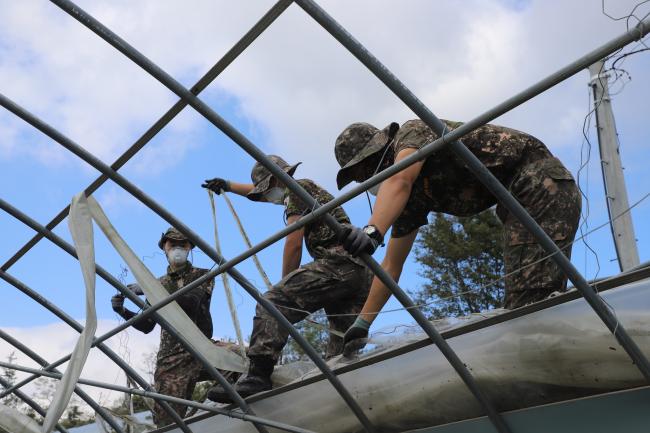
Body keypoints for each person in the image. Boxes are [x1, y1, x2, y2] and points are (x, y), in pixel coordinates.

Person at [334, 119, 581, 351]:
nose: (366, 181)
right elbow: (391, 266)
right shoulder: (410, 201)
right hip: (518, 200)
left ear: (379, 151)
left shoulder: (412, 134)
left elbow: (400, 178)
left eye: (365, 170)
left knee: (530, 306)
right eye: (359, 179)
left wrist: (372, 231)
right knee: (528, 305)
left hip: (538, 182)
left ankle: (557, 374)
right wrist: (362, 324)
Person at [202, 155, 372, 401]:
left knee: (273, 302)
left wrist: (283, 287)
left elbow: (293, 240)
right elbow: (258, 192)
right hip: (359, 272)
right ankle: (348, 400)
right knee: (341, 356)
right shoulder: (298, 190)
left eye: (267, 188)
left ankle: (257, 376)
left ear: (275, 180)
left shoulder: (298, 188)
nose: (267, 196)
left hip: (339, 263)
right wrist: (228, 185)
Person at [111, 227, 236, 426]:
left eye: (183, 244)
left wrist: (148, 288)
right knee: (167, 422)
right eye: (172, 244)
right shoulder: (157, 284)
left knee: (245, 360)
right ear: (164, 248)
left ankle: (226, 406)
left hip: (203, 349)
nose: (178, 248)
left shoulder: (202, 275)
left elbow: (190, 303)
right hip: (172, 360)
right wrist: (123, 311)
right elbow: (147, 325)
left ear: (190, 248)